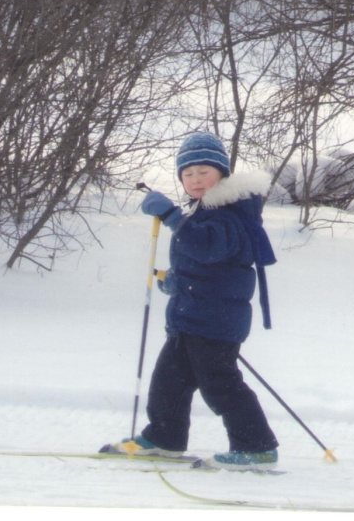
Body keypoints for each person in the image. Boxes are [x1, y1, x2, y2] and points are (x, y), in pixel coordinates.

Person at [104, 132, 279, 470]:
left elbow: (207, 247)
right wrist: (176, 282)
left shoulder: (229, 213)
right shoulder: (203, 211)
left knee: (220, 385)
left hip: (215, 323)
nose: (196, 180)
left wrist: (171, 215)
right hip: (191, 317)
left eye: (204, 172)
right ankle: (164, 438)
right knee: (168, 380)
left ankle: (256, 446)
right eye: (188, 174)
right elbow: (208, 266)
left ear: (221, 174)